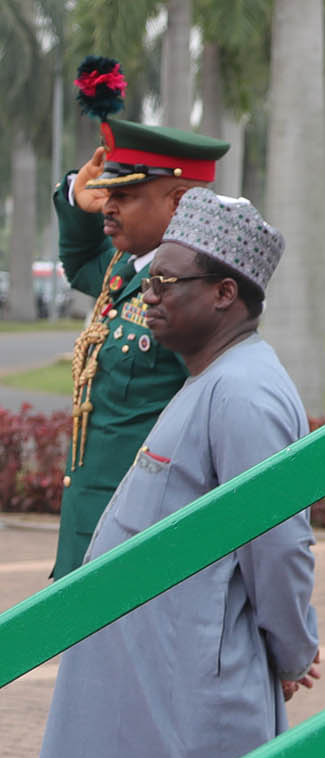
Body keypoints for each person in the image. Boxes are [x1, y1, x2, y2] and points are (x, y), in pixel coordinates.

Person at [18, 190, 317, 758]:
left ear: (222, 293)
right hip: (149, 683)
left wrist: (293, 649)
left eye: (164, 280)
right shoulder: (211, 379)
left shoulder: (246, 391)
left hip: (189, 695)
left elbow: (279, 543)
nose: (146, 294)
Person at [52, 103, 231, 577]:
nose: (107, 205)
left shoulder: (187, 295)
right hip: (91, 529)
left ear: (178, 202)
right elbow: (78, 262)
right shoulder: (125, 269)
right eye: (107, 192)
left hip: (140, 536)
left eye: (125, 195)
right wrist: (76, 196)